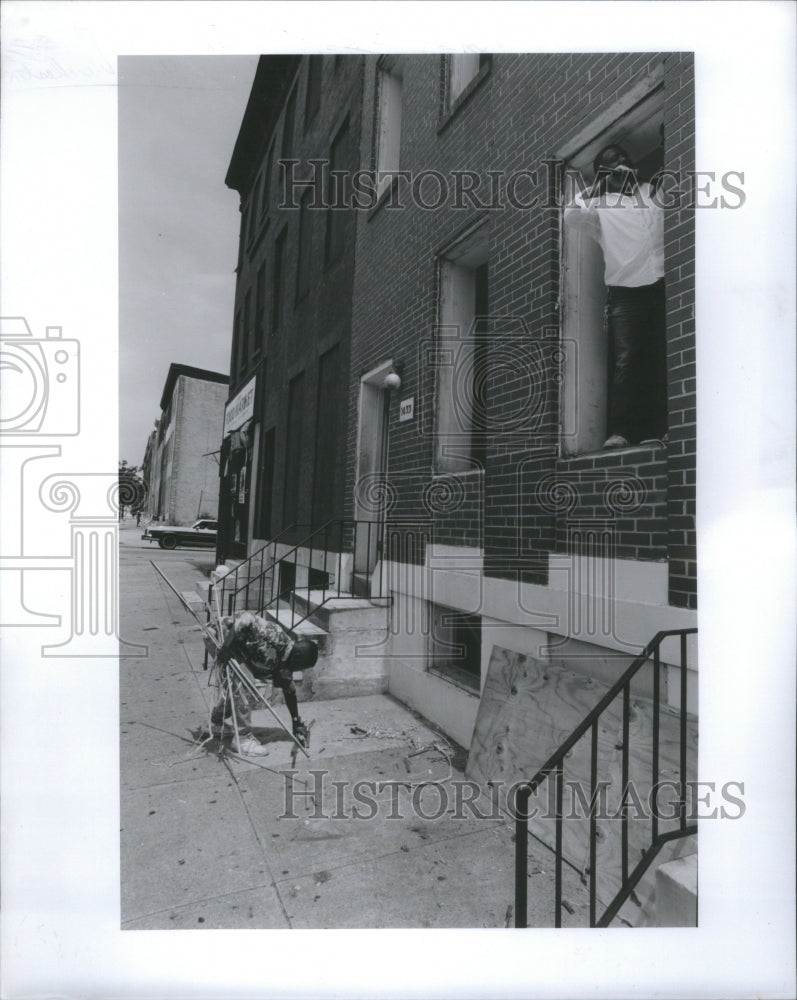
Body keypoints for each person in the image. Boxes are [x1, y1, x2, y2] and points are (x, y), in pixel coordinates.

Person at [564, 143, 667, 448]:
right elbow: (570, 216)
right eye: (613, 162)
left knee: (660, 357)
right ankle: (622, 432)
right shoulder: (599, 206)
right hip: (626, 293)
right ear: (602, 174)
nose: (622, 163)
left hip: (662, 284)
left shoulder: (653, 191)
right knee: (627, 363)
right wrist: (600, 186)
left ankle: (659, 429)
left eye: (624, 157)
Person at [210, 611, 318, 756]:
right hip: (221, 637)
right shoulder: (275, 636)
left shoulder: (286, 661)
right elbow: (245, 617)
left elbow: (289, 689)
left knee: (238, 688)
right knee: (245, 683)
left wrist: (295, 722)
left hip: (238, 650)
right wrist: (226, 647)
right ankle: (242, 738)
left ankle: (217, 723)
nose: (298, 671)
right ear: (297, 657)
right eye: (301, 667)